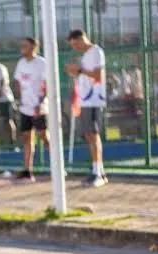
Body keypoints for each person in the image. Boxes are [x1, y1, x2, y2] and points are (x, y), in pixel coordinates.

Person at [66, 29, 108, 187]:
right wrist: (76, 73)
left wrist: (79, 70)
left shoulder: (96, 52)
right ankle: (99, 171)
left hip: (94, 99)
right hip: (84, 100)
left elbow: (98, 75)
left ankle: (98, 173)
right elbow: (84, 75)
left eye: (76, 44)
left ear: (82, 38)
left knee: (93, 134)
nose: (76, 47)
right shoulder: (84, 56)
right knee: (89, 135)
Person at [13, 37, 49, 183]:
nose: (23, 48)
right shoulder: (21, 63)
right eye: (22, 45)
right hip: (25, 107)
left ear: (34, 47)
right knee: (27, 138)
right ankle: (28, 170)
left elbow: (46, 85)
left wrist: (40, 103)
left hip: (38, 107)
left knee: (43, 136)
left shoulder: (42, 63)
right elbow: (18, 82)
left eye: (26, 46)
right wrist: (19, 98)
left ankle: (57, 165)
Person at [0, 59, 17, 144]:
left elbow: (4, 82)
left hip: (5, 99)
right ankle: (0, 142)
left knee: (8, 121)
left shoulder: (1, 68)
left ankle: (12, 142)